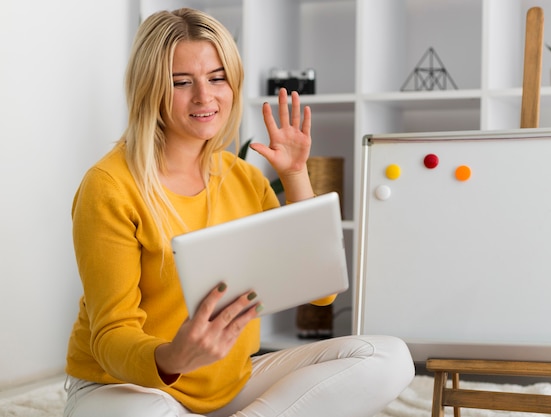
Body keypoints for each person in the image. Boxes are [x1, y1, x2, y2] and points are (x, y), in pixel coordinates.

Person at [63, 7, 414, 417]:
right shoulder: (109, 185)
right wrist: (174, 356)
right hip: (127, 387)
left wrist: (296, 173)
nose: (204, 96)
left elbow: (321, 290)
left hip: (230, 386)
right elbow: (111, 336)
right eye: (181, 82)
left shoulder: (244, 177)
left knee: (388, 358)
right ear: (149, 89)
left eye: (217, 78)